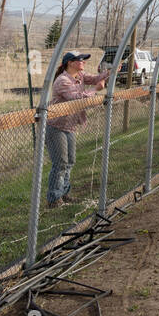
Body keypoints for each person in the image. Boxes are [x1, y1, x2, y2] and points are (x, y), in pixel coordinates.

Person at [46, 51, 108, 208]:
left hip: (70, 126)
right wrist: (95, 89)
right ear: (70, 63)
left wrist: (111, 72)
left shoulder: (79, 76)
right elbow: (78, 98)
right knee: (60, 163)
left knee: (70, 161)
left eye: (84, 60)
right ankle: (54, 198)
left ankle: (64, 193)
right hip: (56, 127)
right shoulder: (62, 81)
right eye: (80, 60)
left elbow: (95, 78)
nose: (83, 62)